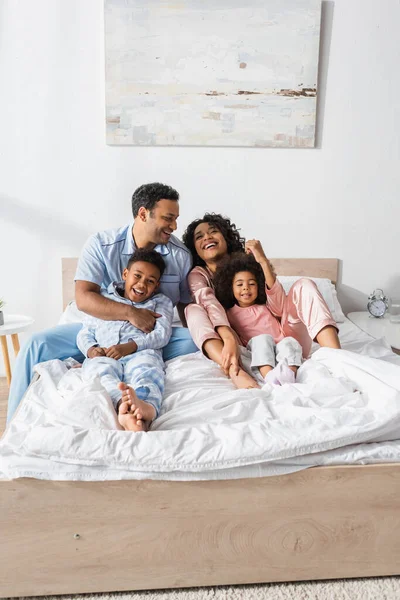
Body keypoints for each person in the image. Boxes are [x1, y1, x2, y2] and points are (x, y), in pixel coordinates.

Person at [7, 182, 197, 422]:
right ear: (142, 213)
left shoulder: (180, 255)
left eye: (176, 219)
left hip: (151, 334)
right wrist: (130, 313)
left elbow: (186, 306)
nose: (174, 226)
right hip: (98, 329)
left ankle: (141, 396)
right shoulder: (101, 244)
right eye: (168, 218)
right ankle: (13, 425)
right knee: (35, 344)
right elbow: (84, 298)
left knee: (198, 340)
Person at [182, 214, 340, 390]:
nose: (207, 237)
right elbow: (208, 302)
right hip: (241, 345)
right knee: (193, 309)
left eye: (213, 232)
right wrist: (228, 338)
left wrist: (262, 261)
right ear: (194, 248)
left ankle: (338, 359)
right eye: (199, 236)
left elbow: (278, 307)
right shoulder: (198, 274)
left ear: (226, 237)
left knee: (304, 284)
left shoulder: (248, 262)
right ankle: (235, 372)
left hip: (287, 339)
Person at [78, 249, 173, 432]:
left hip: (141, 352)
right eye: (137, 276)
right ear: (125, 274)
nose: (142, 284)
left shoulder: (161, 302)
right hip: (105, 353)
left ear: (157, 286)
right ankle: (123, 405)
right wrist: (91, 349)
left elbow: (162, 334)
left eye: (150, 281)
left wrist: (131, 346)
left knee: (146, 371)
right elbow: (85, 331)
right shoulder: (105, 299)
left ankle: (146, 407)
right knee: (100, 373)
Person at [214, 251, 303, 385]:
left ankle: (289, 373)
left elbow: (275, 293)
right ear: (230, 288)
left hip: (279, 345)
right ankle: (269, 376)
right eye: (239, 284)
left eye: (251, 284)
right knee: (262, 339)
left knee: (290, 341)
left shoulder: (266, 305)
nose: (246, 288)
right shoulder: (230, 313)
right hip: (256, 350)